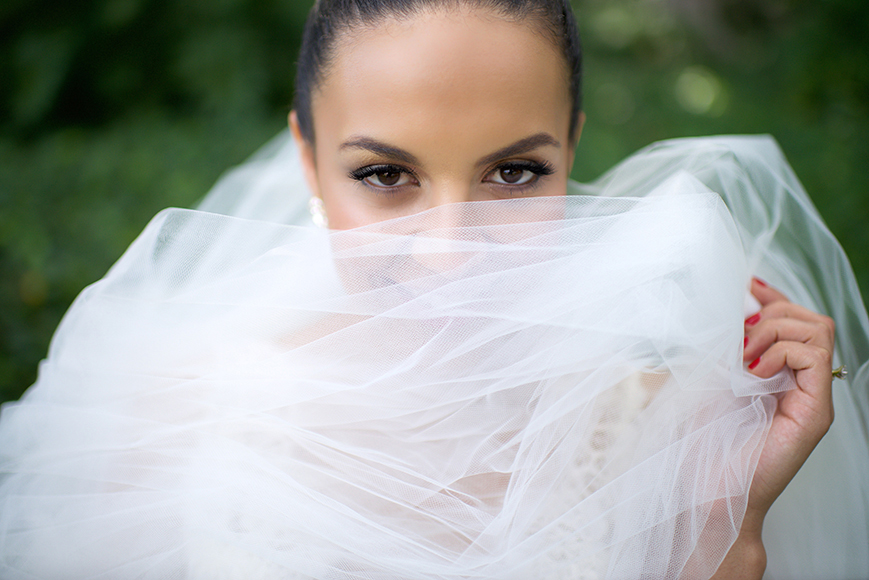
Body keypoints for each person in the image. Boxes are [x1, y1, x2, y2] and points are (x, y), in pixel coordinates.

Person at [0, 1, 867, 578]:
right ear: (307, 157)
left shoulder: (664, 433)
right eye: (383, 174)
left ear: (571, 148)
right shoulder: (167, 427)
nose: (448, 254)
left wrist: (724, 524)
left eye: (516, 173)